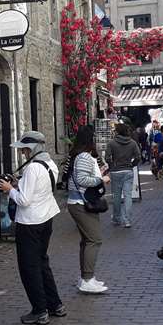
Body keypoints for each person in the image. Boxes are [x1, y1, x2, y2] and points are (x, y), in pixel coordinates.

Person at [0, 131, 64, 325]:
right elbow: (40, 189)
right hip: (46, 217)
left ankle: (39, 310)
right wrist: (19, 183)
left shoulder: (32, 168)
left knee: (29, 267)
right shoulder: (50, 164)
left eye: (25, 149)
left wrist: (9, 190)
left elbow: (24, 200)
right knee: (42, 262)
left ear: (31, 149)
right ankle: (55, 304)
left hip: (30, 222)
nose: (23, 153)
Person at [67, 124, 111, 294]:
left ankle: (86, 277)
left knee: (87, 240)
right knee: (94, 239)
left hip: (78, 202)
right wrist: (101, 179)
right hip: (81, 203)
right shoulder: (84, 156)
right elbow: (82, 180)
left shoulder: (77, 155)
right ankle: (87, 279)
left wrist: (98, 174)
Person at [108, 121, 142, 228]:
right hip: (128, 170)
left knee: (116, 196)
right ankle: (127, 220)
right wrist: (132, 165)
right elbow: (138, 157)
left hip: (116, 171)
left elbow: (107, 157)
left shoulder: (112, 143)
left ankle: (117, 218)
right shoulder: (132, 143)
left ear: (117, 131)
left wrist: (112, 165)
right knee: (128, 196)